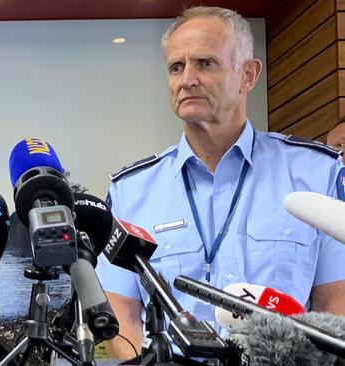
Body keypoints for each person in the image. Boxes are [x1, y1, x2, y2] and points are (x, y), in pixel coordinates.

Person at [96, 6, 345, 360]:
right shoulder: (131, 191)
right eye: (176, 67)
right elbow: (120, 316)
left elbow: (336, 303)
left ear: (248, 75)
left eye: (205, 63)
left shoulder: (314, 175)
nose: (187, 80)